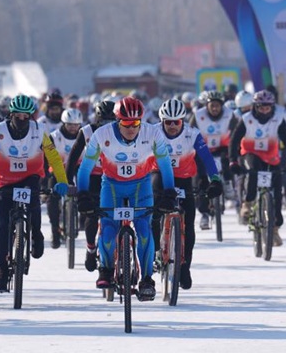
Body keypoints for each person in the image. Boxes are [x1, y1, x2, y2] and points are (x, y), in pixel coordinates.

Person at [75, 96, 177, 302]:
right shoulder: (101, 134)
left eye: (136, 123)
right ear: (117, 120)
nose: (131, 128)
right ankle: (105, 269)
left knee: (144, 231)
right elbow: (85, 168)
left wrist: (168, 192)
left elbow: (165, 165)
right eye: (126, 123)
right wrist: (83, 194)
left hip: (141, 185)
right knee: (108, 230)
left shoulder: (153, 134)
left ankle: (147, 279)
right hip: (112, 186)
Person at [0, 94, 69, 293]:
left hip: (30, 178)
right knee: (4, 228)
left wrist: (62, 182)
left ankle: (37, 235)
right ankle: (2, 270)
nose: (23, 120)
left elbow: (54, 158)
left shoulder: (40, 132)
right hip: (5, 181)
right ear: (11, 114)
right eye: (19, 116)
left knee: (33, 204)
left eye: (27, 116)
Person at [153, 98, 223, 290]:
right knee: (153, 211)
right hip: (158, 175)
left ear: (183, 120)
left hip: (183, 178)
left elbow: (207, 159)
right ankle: (155, 251)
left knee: (188, 222)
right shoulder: (152, 132)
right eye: (169, 122)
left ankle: (184, 266)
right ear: (162, 121)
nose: (173, 126)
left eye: (177, 122)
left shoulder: (193, 134)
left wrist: (215, 180)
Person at [228, 90, 286, 246]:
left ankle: (274, 228)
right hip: (250, 153)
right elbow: (234, 141)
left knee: (277, 187)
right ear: (255, 107)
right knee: (253, 171)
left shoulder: (278, 120)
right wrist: (233, 161)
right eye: (261, 108)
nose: (265, 111)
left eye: (268, 108)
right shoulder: (246, 119)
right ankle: (247, 203)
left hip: (271, 156)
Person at [64, 100, 115, 272]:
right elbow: (73, 156)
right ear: (97, 119)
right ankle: (91, 248)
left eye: (111, 121)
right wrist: (68, 180)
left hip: (115, 177)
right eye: (104, 121)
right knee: (92, 215)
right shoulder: (86, 132)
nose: (108, 125)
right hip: (93, 176)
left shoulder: (122, 131)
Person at [190, 90, 236, 229]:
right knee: (200, 179)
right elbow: (189, 133)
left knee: (227, 159)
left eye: (217, 105)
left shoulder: (229, 115)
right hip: (203, 150)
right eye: (212, 106)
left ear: (222, 105)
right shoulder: (198, 116)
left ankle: (227, 182)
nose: (215, 108)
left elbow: (236, 132)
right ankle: (204, 214)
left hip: (222, 147)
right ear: (207, 106)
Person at [48, 108, 84, 248]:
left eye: (76, 125)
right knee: (53, 198)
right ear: (63, 123)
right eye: (70, 125)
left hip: (78, 169)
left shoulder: (84, 136)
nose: (73, 128)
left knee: (86, 190)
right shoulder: (55, 136)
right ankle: (55, 230)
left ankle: (81, 218)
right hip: (57, 170)